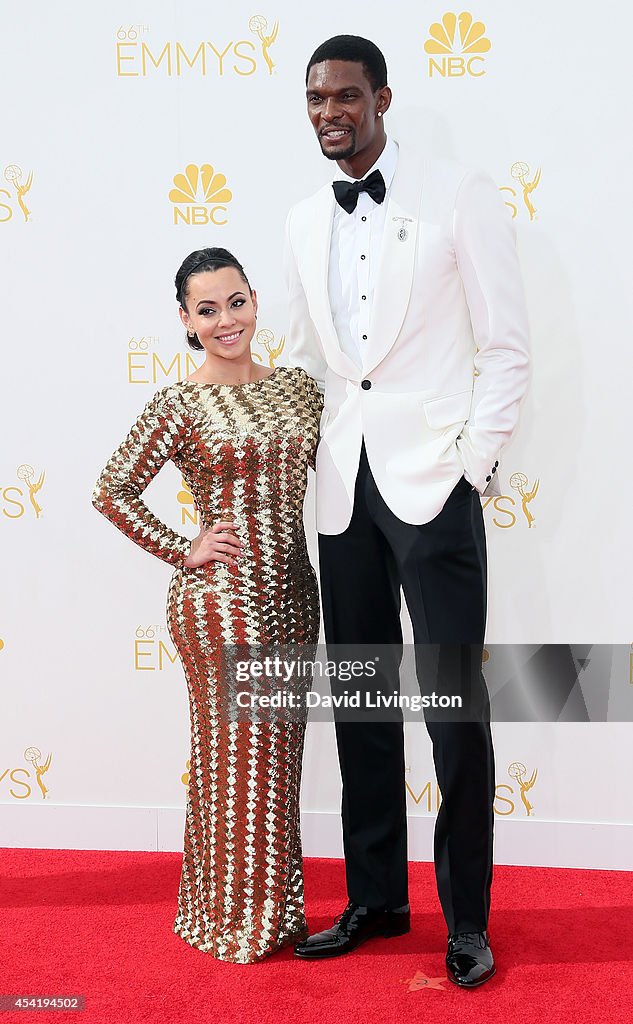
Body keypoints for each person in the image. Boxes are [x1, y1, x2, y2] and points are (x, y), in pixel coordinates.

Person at [284, 36, 529, 986]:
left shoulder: (456, 194)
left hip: (435, 485)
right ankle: (376, 899)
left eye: (345, 96)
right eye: (315, 99)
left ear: (381, 98)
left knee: (454, 707)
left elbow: (506, 345)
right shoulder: (305, 218)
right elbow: (308, 357)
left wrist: (473, 461)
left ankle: (466, 919)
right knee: (359, 704)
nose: (329, 113)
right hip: (343, 492)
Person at [92, 248, 322, 963]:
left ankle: (269, 912)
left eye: (236, 302)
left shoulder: (299, 391)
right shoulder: (179, 403)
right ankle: (234, 922)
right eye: (207, 310)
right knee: (233, 759)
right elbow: (112, 491)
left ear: (255, 300)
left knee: (276, 759)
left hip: (292, 593)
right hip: (219, 603)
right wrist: (182, 547)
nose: (227, 320)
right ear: (187, 322)